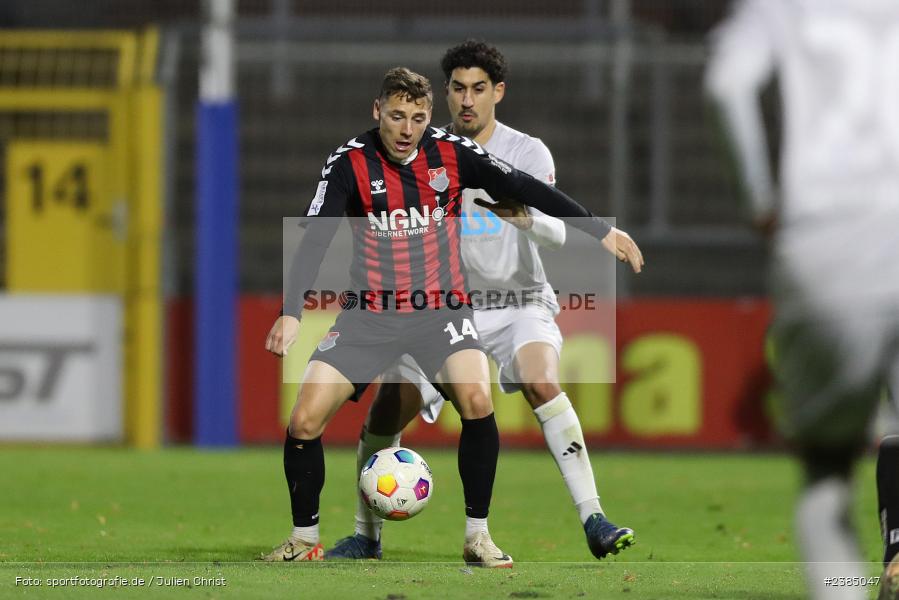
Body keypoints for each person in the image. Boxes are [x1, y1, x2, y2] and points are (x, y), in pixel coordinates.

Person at [261, 67, 644, 566]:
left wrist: (601, 231)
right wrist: (292, 312)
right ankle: (304, 539)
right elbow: (315, 237)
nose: (407, 130)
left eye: (418, 118)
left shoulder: (451, 152)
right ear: (377, 111)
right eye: (396, 116)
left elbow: (525, 186)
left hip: (439, 311)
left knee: (477, 400)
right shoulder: (349, 162)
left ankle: (477, 537)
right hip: (370, 313)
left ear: (429, 117)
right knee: (304, 418)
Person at [705, 1, 899, 598]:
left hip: (824, 242)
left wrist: (760, 200)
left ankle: (845, 584)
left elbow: (725, 86)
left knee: (827, 474)